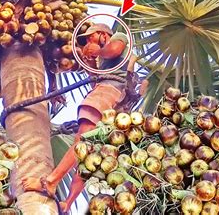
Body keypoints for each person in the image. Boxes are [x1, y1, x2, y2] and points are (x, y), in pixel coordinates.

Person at [22, 23, 148, 212]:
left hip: (109, 92)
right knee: (89, 154)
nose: (88, 42)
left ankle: (50, 181)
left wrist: (98, 51)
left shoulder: (118, 37)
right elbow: (96, 76)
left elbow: (114, 50)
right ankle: (68, 202)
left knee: (83, 138)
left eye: (90, 38)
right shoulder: (105, 62)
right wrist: (89, 62)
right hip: (117, 103)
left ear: (102, 34)